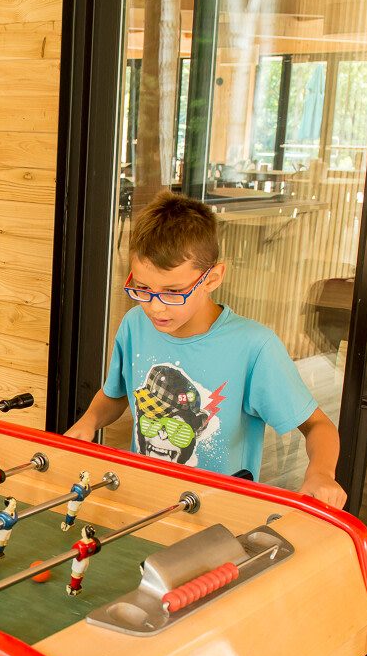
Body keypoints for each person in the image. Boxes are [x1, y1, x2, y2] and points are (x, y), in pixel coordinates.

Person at [64, 193, 346, 508]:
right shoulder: (134, 325)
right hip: (141, 501)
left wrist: (322, 472)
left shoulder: (254, 347)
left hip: (218, 514)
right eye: (142, 288)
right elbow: (115, 395)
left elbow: (318, 426)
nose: (155, 307)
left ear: (212, 278)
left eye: (173, 292)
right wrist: (88, 422)